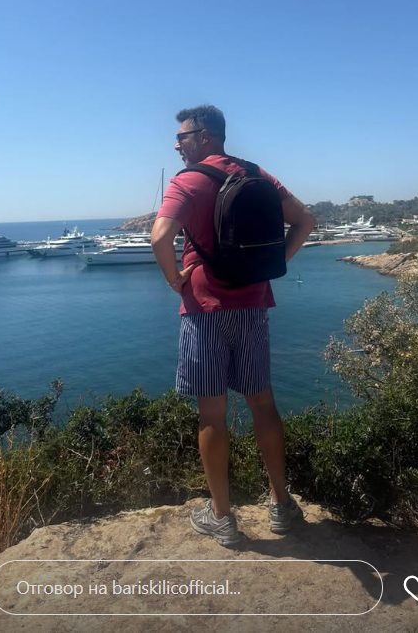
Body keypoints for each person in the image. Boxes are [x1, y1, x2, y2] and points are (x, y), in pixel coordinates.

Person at [151, 105, 316, 546]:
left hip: (204, 308)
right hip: (252, 304)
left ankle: (222, 517)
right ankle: (281, 505)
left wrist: (174, 280)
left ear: (204, 136)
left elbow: (160, 237)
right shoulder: (257, 174)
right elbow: (306, 221)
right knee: (263, 403)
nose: (176, 145)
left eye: (182, 137)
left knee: (212, 412)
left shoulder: (187, 181)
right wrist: (273, 265)